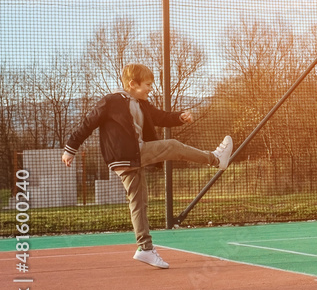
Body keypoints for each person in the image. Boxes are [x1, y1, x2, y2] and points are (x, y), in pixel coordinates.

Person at [63, 63, 233, 268]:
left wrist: (179, 117)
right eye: (148, 84)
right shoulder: (111, 101)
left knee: (139, 204)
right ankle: (215, 158)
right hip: (126, 154)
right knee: (172, 146)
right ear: (132, 84)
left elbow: (160, 117)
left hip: (132, 158)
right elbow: (87, 124)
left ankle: (145, 249)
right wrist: (70, 148)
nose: (151, 88)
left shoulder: (142, 103)